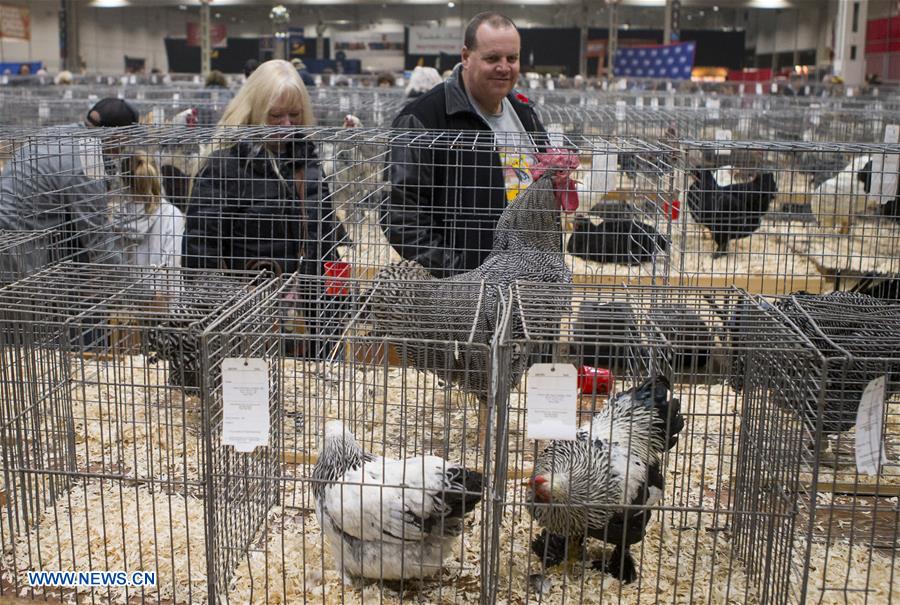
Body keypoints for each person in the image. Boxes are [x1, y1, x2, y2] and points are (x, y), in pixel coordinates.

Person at [383, 12, 547, 277]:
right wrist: (458, 275)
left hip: (527, 282)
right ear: (466, 57)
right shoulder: (425, 117)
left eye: (512, 58)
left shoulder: (526, 115)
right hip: (463, 295)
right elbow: (401, 213)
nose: (504, 67)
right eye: (492, 58)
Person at [183, 58, 340, 277]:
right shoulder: (224, 167)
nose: (287, 124)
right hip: (244, 302)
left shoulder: (308, 165)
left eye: (294, 115)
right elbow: (200, 249)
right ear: (256, 112)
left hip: (303, 300)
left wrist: (336, 300)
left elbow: (326, 244)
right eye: (276, 116)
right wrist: (217, 301)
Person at [0, 97, 139, 276]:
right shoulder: (87, 158)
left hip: (12, 224)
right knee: (26, 299)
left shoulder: (59, 132)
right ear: (117, 137)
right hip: (19, 242)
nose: (125, 147)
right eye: (126, 140)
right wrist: (141, 291)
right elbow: (98, 239)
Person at [112, 151, 185, 273]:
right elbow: (171, 265)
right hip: (158, 290)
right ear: (157, 175)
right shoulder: (171, 214)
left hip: (128, 289)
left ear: (124, 181)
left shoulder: (118, 216)